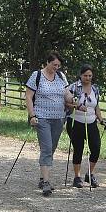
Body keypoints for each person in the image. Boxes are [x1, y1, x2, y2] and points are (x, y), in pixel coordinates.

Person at [25, 51, 69, 197]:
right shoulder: (37, 75)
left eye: (58, 65)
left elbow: (66, 94)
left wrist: (72, 99)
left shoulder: (61, 77)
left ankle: (43, 176)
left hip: (58, 118)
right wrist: (32, 115)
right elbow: (29, 96)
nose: (56, 67)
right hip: (42, 117)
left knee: (52, 147)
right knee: (47, 147)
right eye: (54, 64)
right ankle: (46, 183)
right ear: (48, 62)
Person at [66, 64, 105, 188]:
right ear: (80, 75)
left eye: (90, 76)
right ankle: (77, 177)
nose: (87, 78)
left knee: (96, 148)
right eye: (85, 75)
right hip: (76, 122)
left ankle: (89, 173)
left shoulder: (95, 89)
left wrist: (101, 120)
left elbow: (96, 106)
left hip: (91, 122)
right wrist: (76, 106)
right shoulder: (73, 87)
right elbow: (66, 103)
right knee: (78, 149)